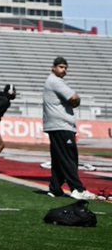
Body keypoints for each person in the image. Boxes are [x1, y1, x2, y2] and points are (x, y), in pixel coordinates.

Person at [42, 56, 92, 200]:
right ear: (53, 68)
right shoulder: (56, 81)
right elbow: (73, 98)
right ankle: (77, 189)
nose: (63, 70)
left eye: (65, 67)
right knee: (69, 158)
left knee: (59, 158)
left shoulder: (52, 81)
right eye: (60, 67)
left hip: (56, 125)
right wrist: (77, 100)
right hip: (62, 125)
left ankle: (55, 188)